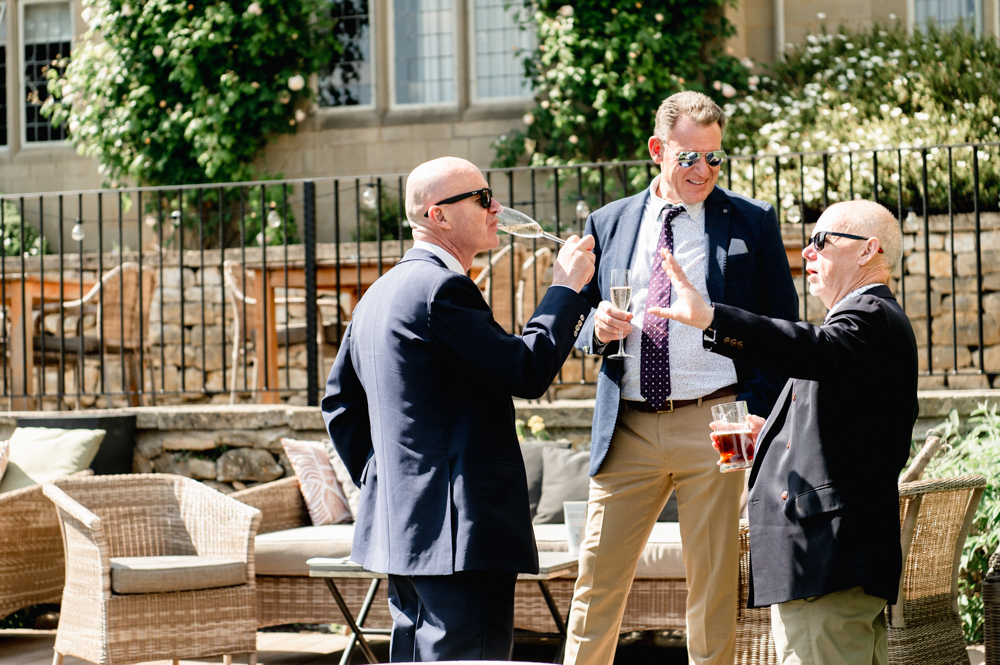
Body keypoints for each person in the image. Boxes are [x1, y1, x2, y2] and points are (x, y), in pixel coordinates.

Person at [321, 156, 596, 663]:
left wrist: (391, 483)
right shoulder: (442, 290)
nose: (497, 208)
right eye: (482, 198)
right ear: (437, 215)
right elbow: (525, 371)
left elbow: (338, 405)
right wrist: (565, 289)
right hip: (460, 537)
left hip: (406, 530)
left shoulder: (377, 295)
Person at [564, 90, 799, 665]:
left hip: (722, 417)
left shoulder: (752, 222)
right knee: (596, 582)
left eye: (714, 158)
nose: (703, 171)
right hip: (629, 425)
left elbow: (783, 328)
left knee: (715, 586)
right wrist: (595, 328)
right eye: (689, 157)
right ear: (656, 150)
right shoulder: (609, 221)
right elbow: (573, 321)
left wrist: (759, 407)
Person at [648, 199, 918, 665]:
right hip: (832, 570)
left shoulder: (869, 316)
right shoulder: (861, 326)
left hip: (826, 567)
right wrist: (769, 431)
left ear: (868, 250)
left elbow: (809, 349)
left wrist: (712, 318)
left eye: (821, 241)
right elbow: (848, 430)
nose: (807, 253)